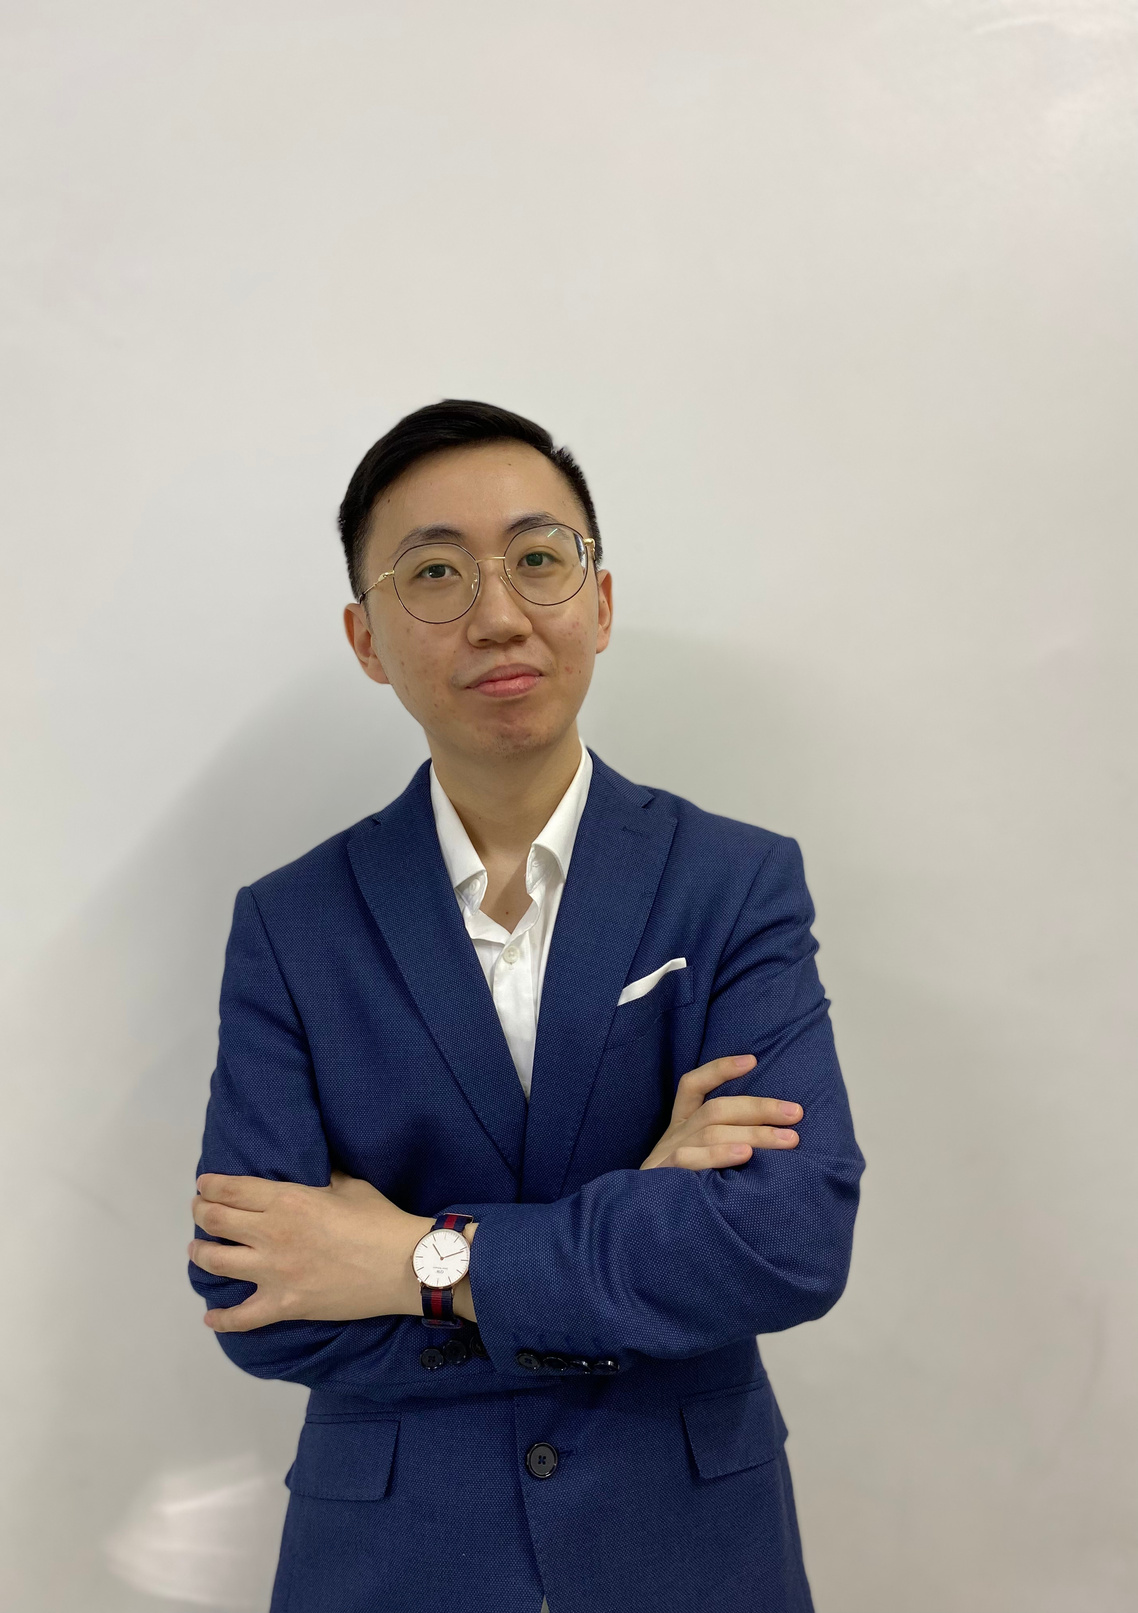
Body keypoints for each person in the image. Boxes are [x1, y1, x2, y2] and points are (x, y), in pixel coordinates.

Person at [187, 399, 865, 1613]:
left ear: (598, 601)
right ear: (365, 637)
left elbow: (784, 1240)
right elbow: (261, 1299)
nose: (498, 613)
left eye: (538, 559)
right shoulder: (292, 923)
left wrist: (409, 1258)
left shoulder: (733, 882)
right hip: (394, 1563)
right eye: (434, 572)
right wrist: (641, 1220)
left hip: (687, 1550)